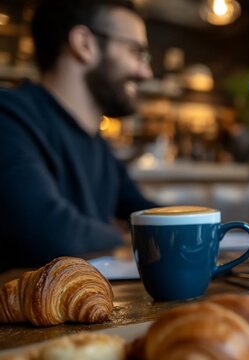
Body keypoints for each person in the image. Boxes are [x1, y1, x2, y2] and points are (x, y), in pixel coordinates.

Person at [0, 0, 157, 270]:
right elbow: (51, 233)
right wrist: (125, 234)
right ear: (84, 44)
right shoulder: (9, 117)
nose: (146, 72)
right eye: (136, 52)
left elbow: (146, 212)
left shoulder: (98, 145)